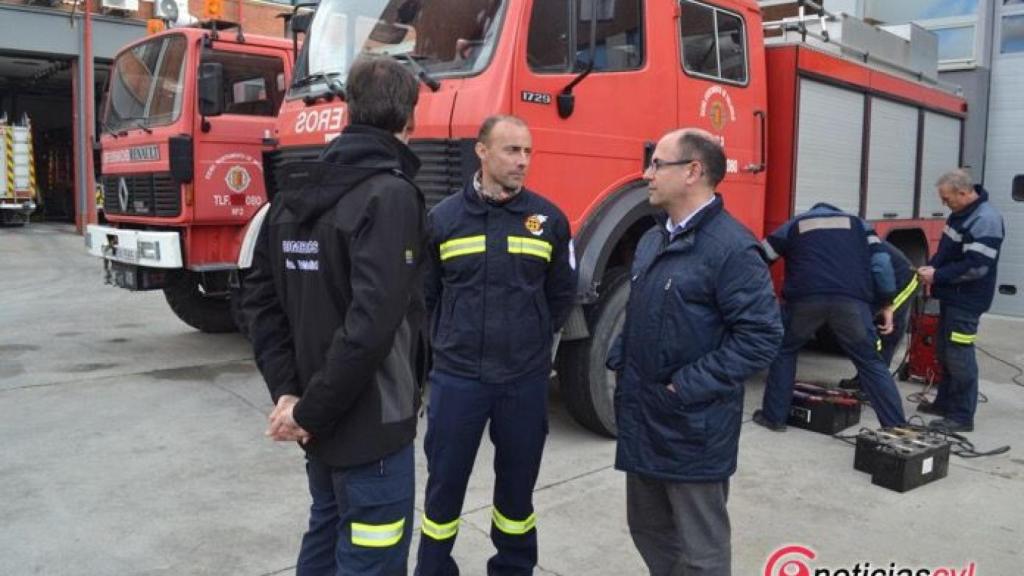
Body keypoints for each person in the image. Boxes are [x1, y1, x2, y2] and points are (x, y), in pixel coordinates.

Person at [244, 54, 426, 576]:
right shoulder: (391, 196)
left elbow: (259, 302)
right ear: (407, 119)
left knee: (325, 539)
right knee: (370, 559)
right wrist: (305, 410)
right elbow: (370, 328)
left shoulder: (290, 196)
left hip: (318, 430)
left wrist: (292, 396)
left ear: (348, 110)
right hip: (372, 433)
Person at [607, 129, 783, 576]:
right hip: (646, 417)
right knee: (648, 530)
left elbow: (760, 337)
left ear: (693, 172)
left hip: (692, 426)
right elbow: (643, 311)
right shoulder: (652, 240)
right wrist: (620, 358)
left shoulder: (732, 249)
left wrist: (684, 387)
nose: (646, 173)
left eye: (657, 164)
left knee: (701, 552)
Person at [415, 115, 575, 576]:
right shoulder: (443, 220)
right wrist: (450, 342)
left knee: (517, 492)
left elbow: (561, 294)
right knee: (444, 487)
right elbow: (426, 296)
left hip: (522, 382)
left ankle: (513, 568)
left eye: (527, 151)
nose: (522, 161)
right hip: (458, 379)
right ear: (481, 152)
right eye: (511, 150)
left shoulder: (548, 221)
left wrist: (532, 338)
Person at [754, 202, 909, 430]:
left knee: (785, 351)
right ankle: (895, 426)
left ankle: (774, 418)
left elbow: (761, 255)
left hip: (805, 301)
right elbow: (881, 263)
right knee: (870, 362)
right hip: (851, 304)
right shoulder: (859, 225)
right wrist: (887, 302)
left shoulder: (796, 223)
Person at [917, 169, 1004, 433]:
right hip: (952, 296)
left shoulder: (986, 219)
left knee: (959, 356)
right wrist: (930, 269)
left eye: (947, 198)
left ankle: (962, 416)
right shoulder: (960, 214)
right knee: (944, 352)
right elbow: (946, 251)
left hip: (967, 300)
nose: (944, 204)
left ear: (963, 193)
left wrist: (938, 275)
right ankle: (944, 405)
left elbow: (977, 267)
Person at [839, 240, 920, 389]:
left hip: (902, 281)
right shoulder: (846, 245)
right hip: (878, 283)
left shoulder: (858, 246)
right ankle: (863, 378)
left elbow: (882, 274)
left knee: (885, 330)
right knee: (865, 329)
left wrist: (887, 306)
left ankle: (874, 386)